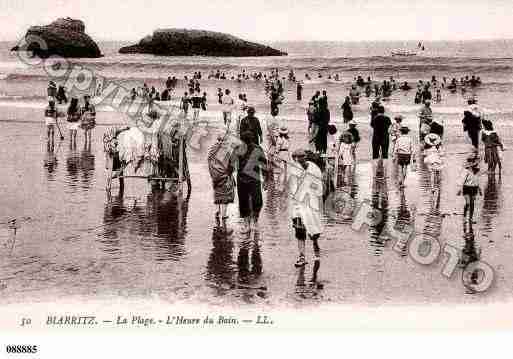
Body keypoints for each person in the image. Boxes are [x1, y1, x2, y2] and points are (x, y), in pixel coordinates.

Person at [289, 149, 323, 267]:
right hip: (298, 205)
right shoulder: (294, 169)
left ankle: (315, 244)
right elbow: (292, 187)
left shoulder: (315, 170)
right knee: (299, 231)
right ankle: (302, 256)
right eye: (295, 158)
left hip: (311, 204)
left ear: (305, 157)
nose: (298, 160)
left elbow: (319, 190)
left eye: (300, 157)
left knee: (313, 232)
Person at [237, 130, 269, 233]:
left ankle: (255, 222)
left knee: (257, 201)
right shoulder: (239, 148)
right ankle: (247, 224)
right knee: (243, 201)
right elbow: (231, 162)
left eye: (248, 141)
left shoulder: (258, 149)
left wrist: (266, 179)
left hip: (254, 178)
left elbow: (264, 165)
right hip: (242, 178)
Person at [207, 133, 237, 234]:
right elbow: (232, 165)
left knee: (217, 193)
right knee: (225, 196)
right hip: (224, 177)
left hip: (215, 176)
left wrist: (213, 173)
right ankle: (224, 216)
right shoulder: (227, 151)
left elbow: (209, 162)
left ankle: (217, 211)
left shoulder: (212, 149)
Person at [457, 156, 482, 224]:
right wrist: (459, 189)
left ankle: (471, 218)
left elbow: (477, 180)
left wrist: (479, 189)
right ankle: (464, 218)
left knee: (472, 203)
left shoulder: (477, 171)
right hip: (466, 187)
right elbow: (462, 180)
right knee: (468, 203)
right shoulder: (466, 171)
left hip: (474, 188)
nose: (475, 166)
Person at [370, 105, 392, 171]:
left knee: (375, 154)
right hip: (385, 137)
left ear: (378, 111)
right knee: (385, 154)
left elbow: (372, 125)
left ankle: (374, 170)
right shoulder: (387, 118)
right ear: (384, 111)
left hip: (376, 137)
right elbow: (390, 128)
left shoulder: (375, 118)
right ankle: (385, 170)